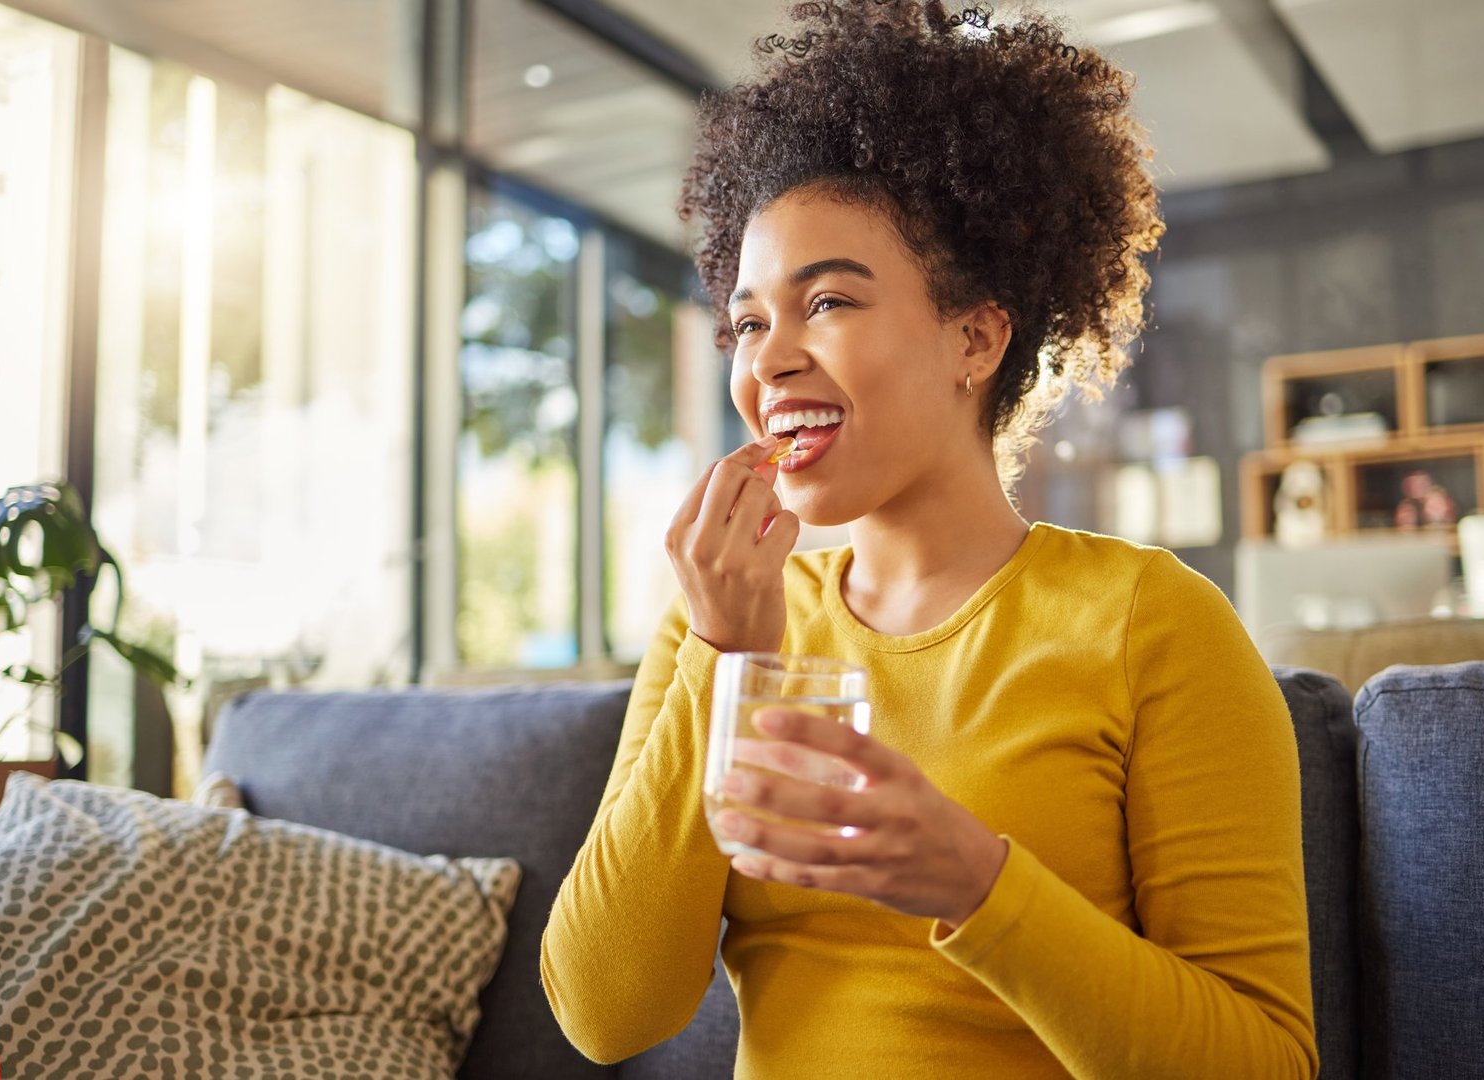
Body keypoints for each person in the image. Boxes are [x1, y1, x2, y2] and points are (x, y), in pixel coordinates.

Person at [541, 2, 1318, 1077]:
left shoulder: (1153, 625)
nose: (767, 362)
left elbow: (1265, 1063)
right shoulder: (720, 626)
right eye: (749, 321)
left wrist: (974, 880)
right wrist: (723, 662)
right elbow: (605, 1011)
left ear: (976, 337)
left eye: (830, 301)